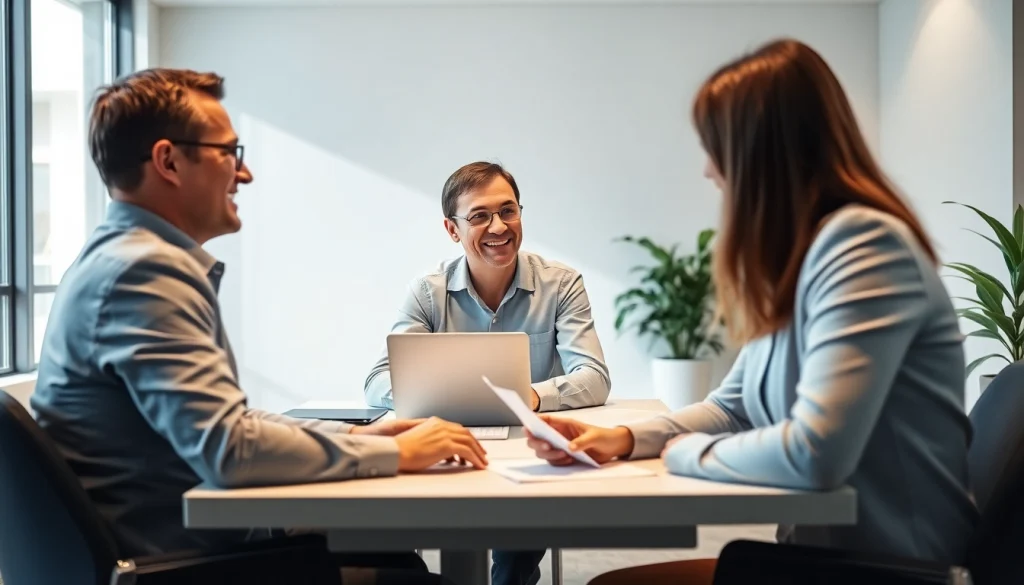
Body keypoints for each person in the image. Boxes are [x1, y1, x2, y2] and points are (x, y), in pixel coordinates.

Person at [526, 39, 978, 584]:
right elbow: (733, 408)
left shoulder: (863, 248)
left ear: (760, 153)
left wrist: (685, 453)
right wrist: (628, 439)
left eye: (715, 147)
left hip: (893, 570)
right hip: (821, 555)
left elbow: (815, 454)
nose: (709, 172)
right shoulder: (805, 257)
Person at [30, 68, 487, 585]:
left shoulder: (116, 259)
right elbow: (232, 449)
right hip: (181, 567)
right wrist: (393, 451)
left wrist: (365, 433)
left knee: (397, 555)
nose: (243, 175)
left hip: (178, 548)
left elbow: (229, 424)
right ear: (169, 161)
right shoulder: (144, 272)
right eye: (230, 153)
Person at [363, 161, 612, 585]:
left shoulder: (562, 284)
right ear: (452, 229)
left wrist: (527, 397)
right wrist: (433, 402)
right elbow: (378, 381)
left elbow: (593, 376)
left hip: (526, 453)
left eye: (508, 211)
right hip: (447, 448)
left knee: (517, 546)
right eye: (479, 216)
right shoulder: (427, 290)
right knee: (387, 529)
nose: (499, 226)